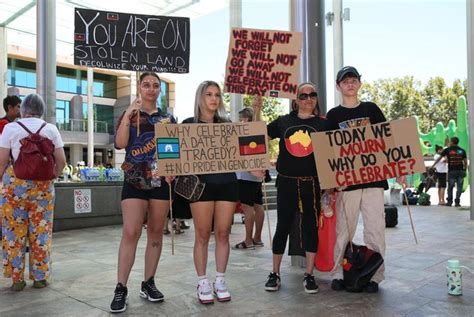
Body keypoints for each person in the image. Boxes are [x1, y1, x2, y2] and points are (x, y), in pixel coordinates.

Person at [110, 72, 176, 313]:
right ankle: (120, 287)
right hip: (134, 179)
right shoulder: (130, 114)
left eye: (155, 85)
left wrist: (172, 169)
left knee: (156, 232)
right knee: (131, 231)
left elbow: (172, 149)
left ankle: (148, 282)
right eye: (146, 85)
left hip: (160, 181)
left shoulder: (168, 118)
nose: (151, 89)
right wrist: (129, 111)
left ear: (160, 90)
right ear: (139, 87)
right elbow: (120, 143)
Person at [254, 82, 327, 294]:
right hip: (286, 183)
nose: (308, 99)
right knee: (282, 227)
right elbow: (259, 136)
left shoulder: (325, 124)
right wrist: (257, 108)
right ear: (296, 100)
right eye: (303, 96)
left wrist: (332, 187)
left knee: (311, 228)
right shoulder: (284, 122)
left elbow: (335, 153)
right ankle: (274, 273)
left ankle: (309, 274)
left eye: (312, 94)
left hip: (312, 183)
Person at [327, 66, 389, 293]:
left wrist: (399, 169)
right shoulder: (333, 116)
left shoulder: (371, 109)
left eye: (353, 80)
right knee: (344, 231)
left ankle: (375, 277)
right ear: (338, 86)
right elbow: (329, 152)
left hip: (374, 182)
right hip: (347, 184)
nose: (350, 84)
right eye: (345, 81)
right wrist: (334, 181)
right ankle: (338, 273)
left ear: (360, 83)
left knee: (375, 230)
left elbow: (387, 140)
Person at [0, 93, 66, 291]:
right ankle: (40, 277)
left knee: (13, 232)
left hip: (14, 188)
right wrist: (52, 176)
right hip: (43, 190)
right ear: (42, 110)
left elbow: (2, 162)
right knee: (41, 232)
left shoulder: (10, 128)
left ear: (23, 109)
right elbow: (61, 161)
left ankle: (17, 279)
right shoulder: (51, 129)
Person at [182, 81, 238, 304]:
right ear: (200, 98)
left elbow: (241, 151)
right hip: (200, 186)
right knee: (202, 234)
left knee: (223, 233)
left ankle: (221, 280)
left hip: (227, 183)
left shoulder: (227, 125)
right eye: (209, 94)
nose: (214, 99)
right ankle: (203, 281)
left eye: (217, 95)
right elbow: (175, 155)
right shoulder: (187, 125)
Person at [233, 107, 265, 250]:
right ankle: (257, 238)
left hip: (245, 175)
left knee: (248, 208)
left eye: (242, 118)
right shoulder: (258, 131)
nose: (240, 121)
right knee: (258, 206)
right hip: (255, 176)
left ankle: (248, 240)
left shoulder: (245, 132)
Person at [431, 137, 467, 207]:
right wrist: (464, 170)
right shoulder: (462, 150)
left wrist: (433, 166)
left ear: (452, 142)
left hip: (452, 171)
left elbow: (439, 159)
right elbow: (465, 161)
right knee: (459, 187)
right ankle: (457, 202)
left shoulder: (447, 150)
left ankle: (449, 202)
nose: (449, 142)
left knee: (450, 187)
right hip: (460, 171)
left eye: (450, 141)